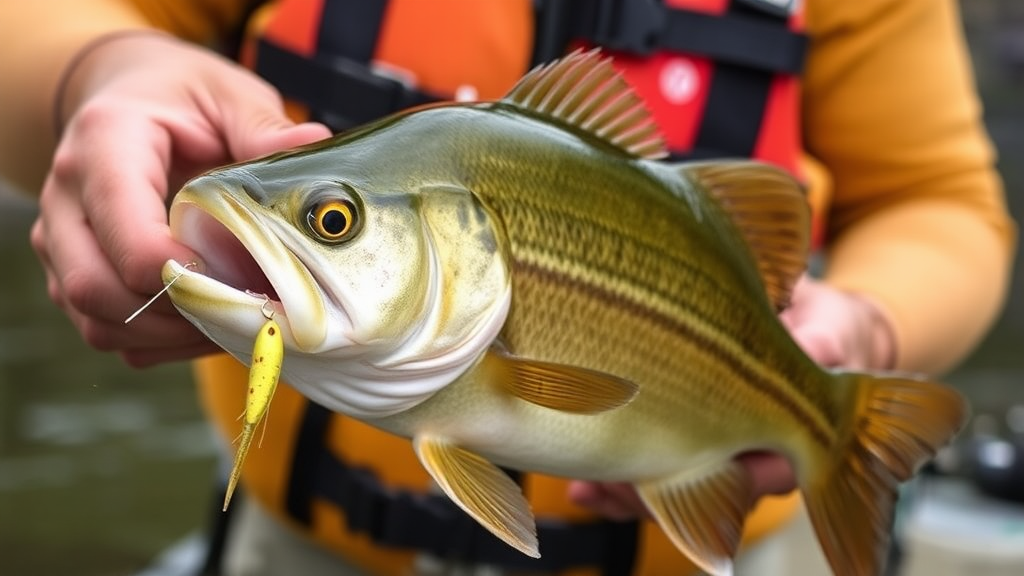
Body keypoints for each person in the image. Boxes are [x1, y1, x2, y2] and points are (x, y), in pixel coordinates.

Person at [0, 1, 1014, 575]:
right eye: (333, 224)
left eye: (334, 224)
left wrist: (867, 324)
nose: (323, 233)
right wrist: (100, 68)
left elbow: (942, 202)